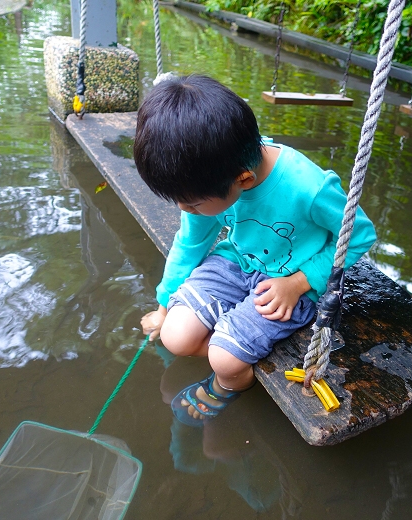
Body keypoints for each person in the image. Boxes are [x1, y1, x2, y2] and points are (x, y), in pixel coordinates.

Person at [134, 74, 376, 426]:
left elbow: (359, 235)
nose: (186, 211)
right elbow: (191, 242)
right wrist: (162, 305)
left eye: (193, 205)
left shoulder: (307, 187)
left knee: (224, 361)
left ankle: (227, 383)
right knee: (174, 335)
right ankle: (237, 348)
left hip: (291, 279)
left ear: (243, 181)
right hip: (237, 263)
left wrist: (301, 282)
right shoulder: (211, 179)